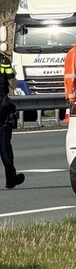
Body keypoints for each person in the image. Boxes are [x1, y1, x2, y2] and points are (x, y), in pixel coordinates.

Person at [1, 53, 23, 189]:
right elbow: (13, 83)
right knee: (4, 146)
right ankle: (11, 179)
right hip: (1, 109)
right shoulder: (3, 60)